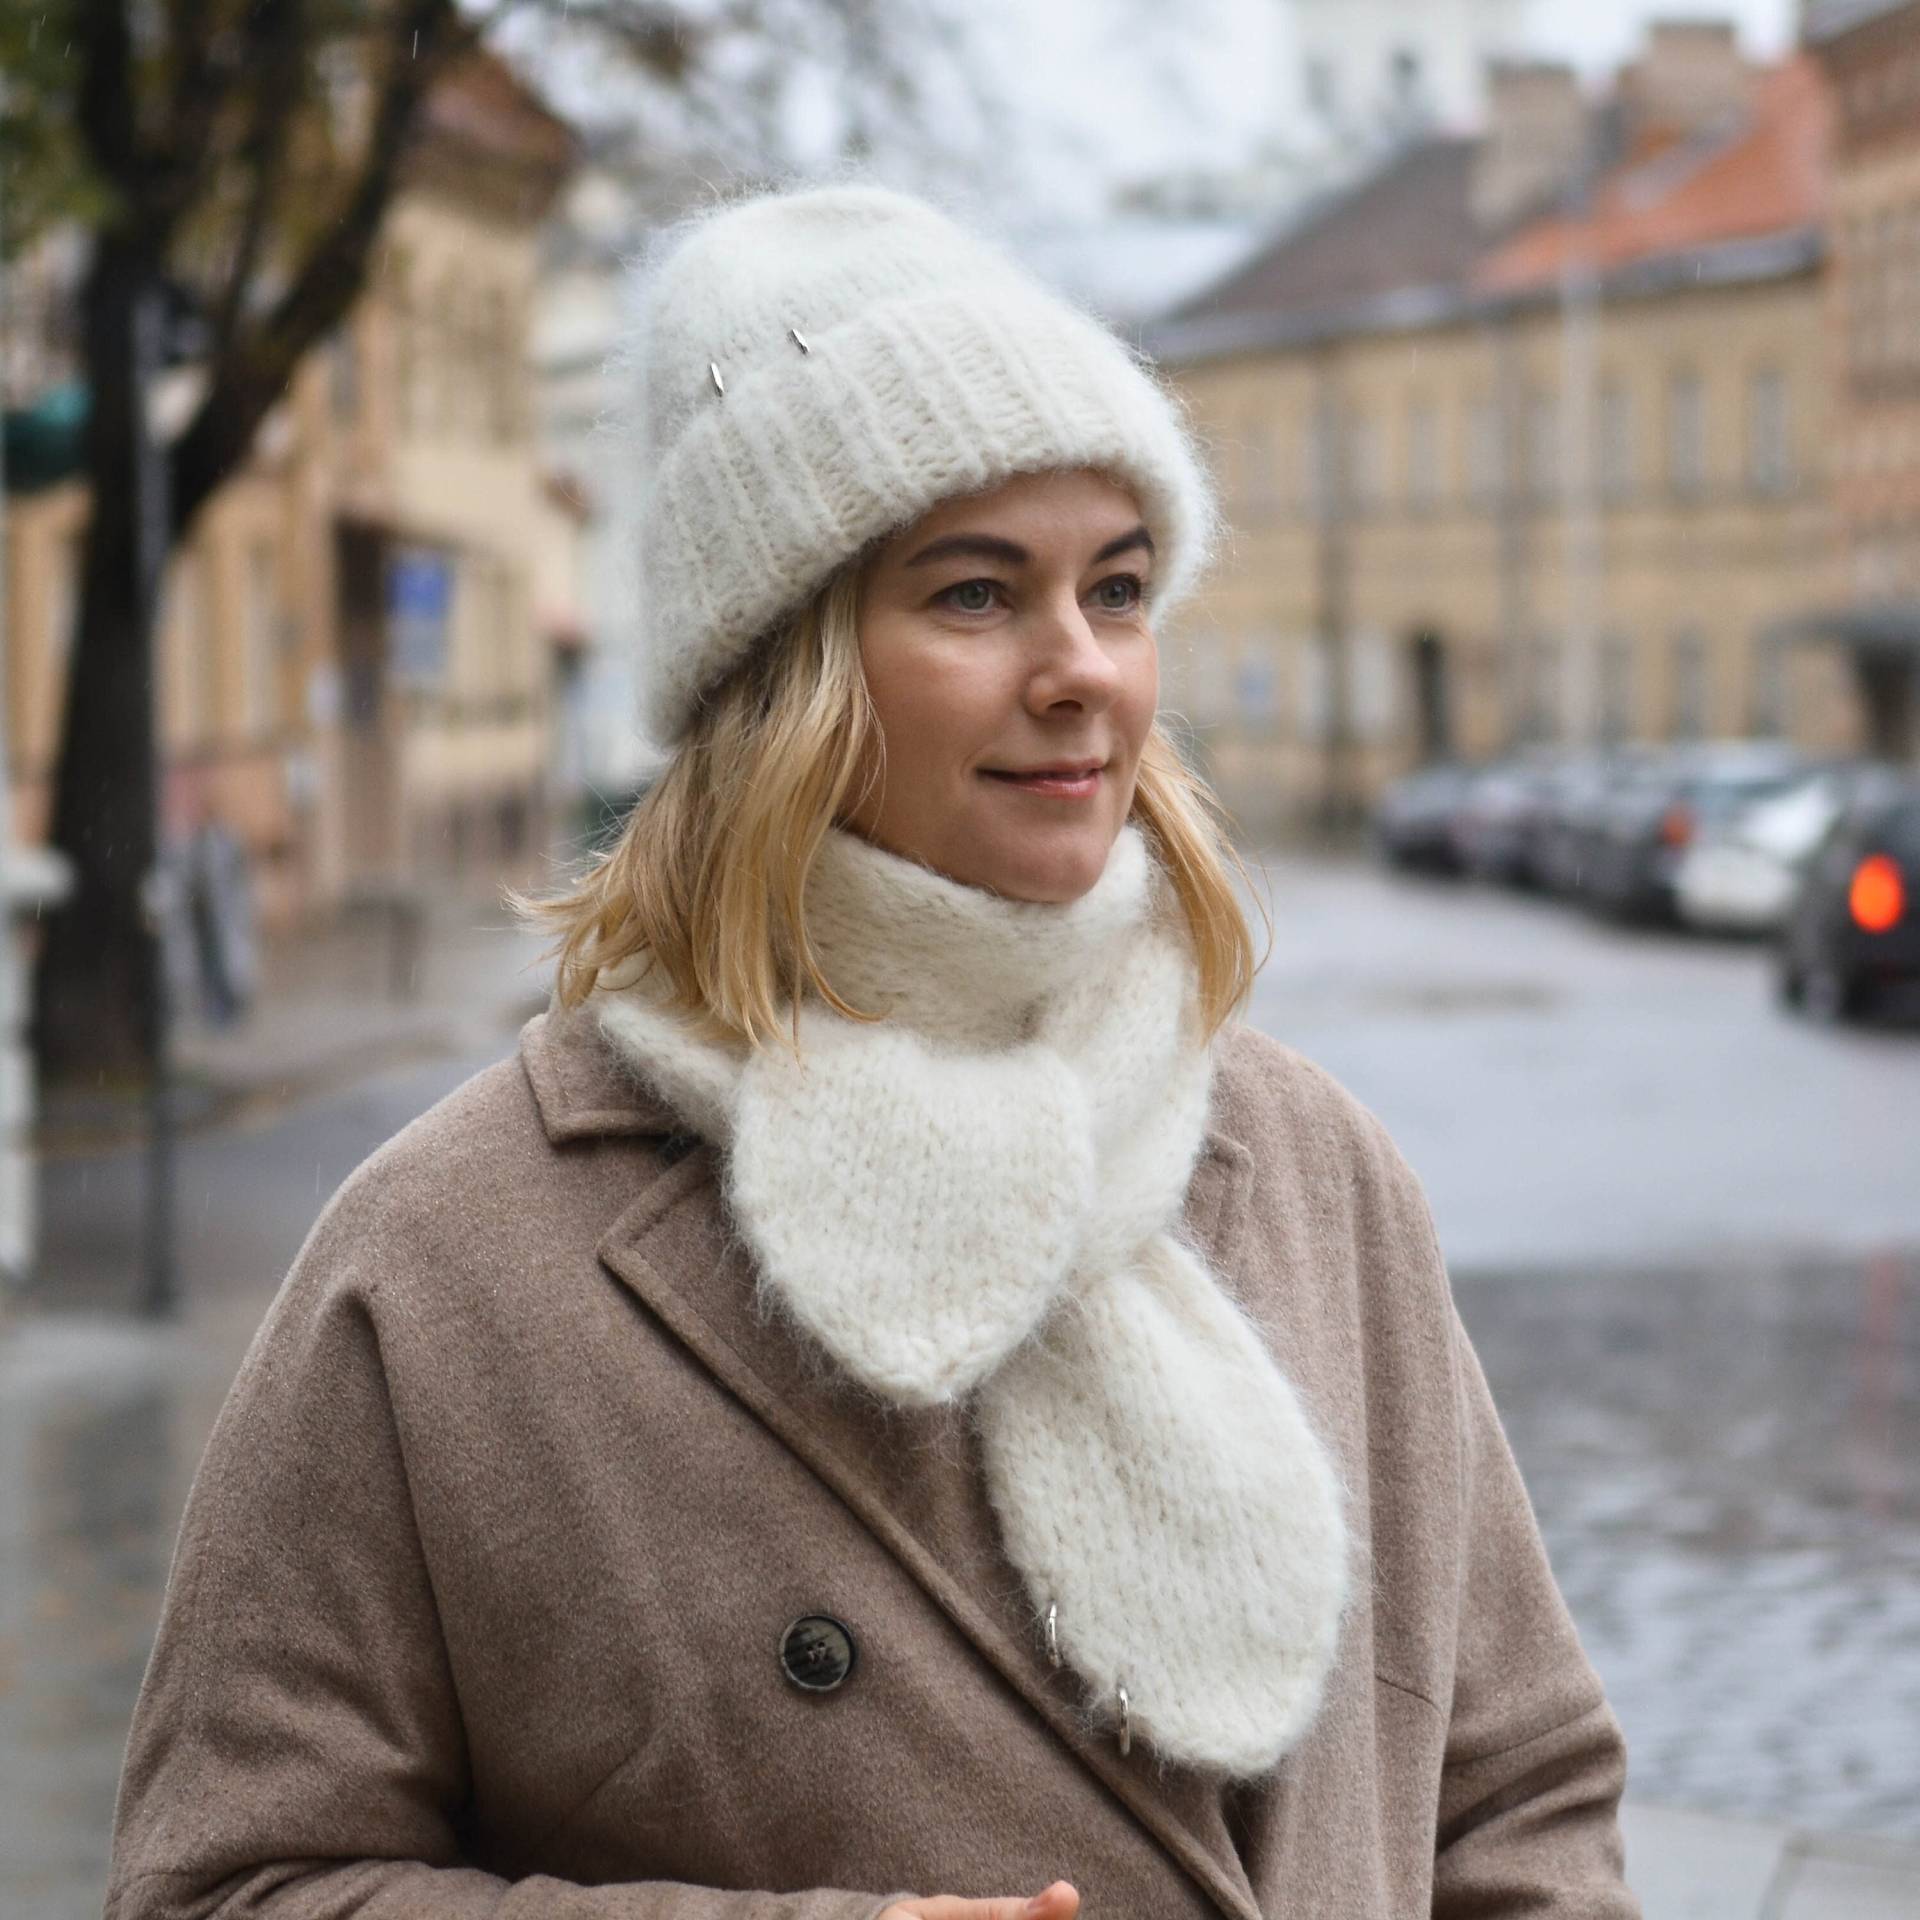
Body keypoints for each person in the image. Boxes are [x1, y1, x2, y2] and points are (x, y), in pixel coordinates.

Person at [104, 183, 1639, 1920]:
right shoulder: (450, 1262)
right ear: (785, 679)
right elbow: (223, 1886)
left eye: (1118, 588)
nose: (1082, 673)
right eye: (978, 595)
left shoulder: (1312, 1172)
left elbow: (1520, 1798)